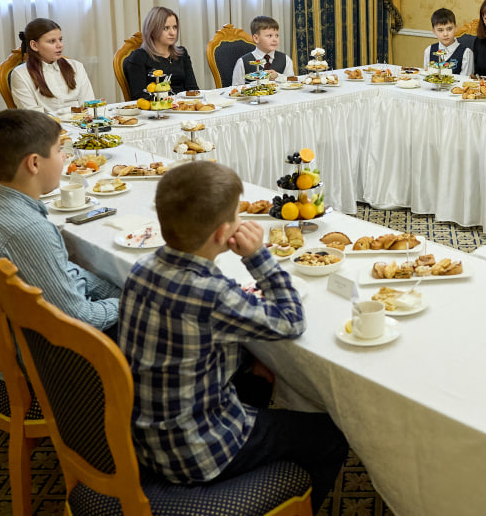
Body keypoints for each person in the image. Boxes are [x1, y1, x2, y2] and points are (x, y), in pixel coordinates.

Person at [118, 162, 348, 510]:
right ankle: (295, 506)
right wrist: (258, 256)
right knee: (330, 435)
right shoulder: (210, 293)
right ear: (223, 233)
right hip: (198, 452)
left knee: (258, 372)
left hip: (147, 435)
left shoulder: (141, 270)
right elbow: (290, 321)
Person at [0, 109, 119, 333]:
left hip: (17, 328)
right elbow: (81, 318)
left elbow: (65, 270)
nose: (65, 157)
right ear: (34, 163)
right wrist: (130, 303)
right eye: (59, 150)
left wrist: (114, 292)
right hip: (50, 355)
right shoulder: (31, 230)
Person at [8, 18, 96, 115]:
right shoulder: (20, 74)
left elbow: (89, 106)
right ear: (34, 45)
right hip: (47, 128)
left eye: (60, 40)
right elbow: (33, 117)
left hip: (83, 126)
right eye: (52, 41)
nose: (60, 45)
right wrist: (71, 111)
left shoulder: (76, 66)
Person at [123, 6, 200, 100]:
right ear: (152, 31)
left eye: (175, 27)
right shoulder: (139, 57)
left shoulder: (182, 54)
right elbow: (139, 97)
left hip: (185, 108)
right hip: (157, 110)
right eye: (166, 28)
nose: (173, 33)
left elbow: (193, 90)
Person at [229, 15, 294, 86]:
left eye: (277, 35)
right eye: (269, 36)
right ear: (256, 38)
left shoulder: (285, 59)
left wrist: (277, 77)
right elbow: (236, 88)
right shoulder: (243, 62)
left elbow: (292, 82)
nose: (275, 39)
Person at [422, 8, 474, 77]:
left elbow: (465, 80)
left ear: (455, 28)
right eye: (440, 30)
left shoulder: (466, 53)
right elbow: (426, 76)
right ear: (434, 31)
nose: (445, 34)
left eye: (449, 29)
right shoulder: (429, 50)